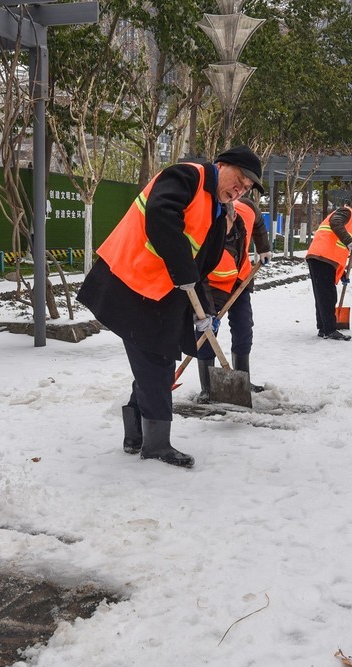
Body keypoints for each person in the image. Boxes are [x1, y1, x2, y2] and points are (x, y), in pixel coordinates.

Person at [78, 145, 262, 468]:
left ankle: (136, 434)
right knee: (156, 362)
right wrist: (183, 272)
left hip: (157, 292)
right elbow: (161, 215)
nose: (239, 189)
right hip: (129, 281)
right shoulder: (189, 176)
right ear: (223, 164)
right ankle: (156, 443)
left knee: (158, 355)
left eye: (246, 188)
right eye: (240, 179)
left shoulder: (218, 212)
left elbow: (201, 270)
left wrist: (204, 313)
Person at [196, 194, 273, 399]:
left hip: (240, 281)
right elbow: (198, 277)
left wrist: (263, 248)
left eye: (225, 225)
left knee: (244, 327)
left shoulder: (246, 210)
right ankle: (208, 387)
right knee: (205, 332)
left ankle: (243, 380)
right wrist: (207, 313)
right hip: (210, 285)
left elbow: (258, 222)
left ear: (233, 216)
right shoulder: (204, 234)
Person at [305, 202, 352, 340]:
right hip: (322, 256)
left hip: (321, 256)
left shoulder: (348, 222)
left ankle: (323, 328)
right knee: (328, 295)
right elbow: (335, 223)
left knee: (322, 295)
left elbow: (337, 250)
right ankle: (329, 329)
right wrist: (348, 240)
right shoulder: (348, 213)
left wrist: (343, 273)